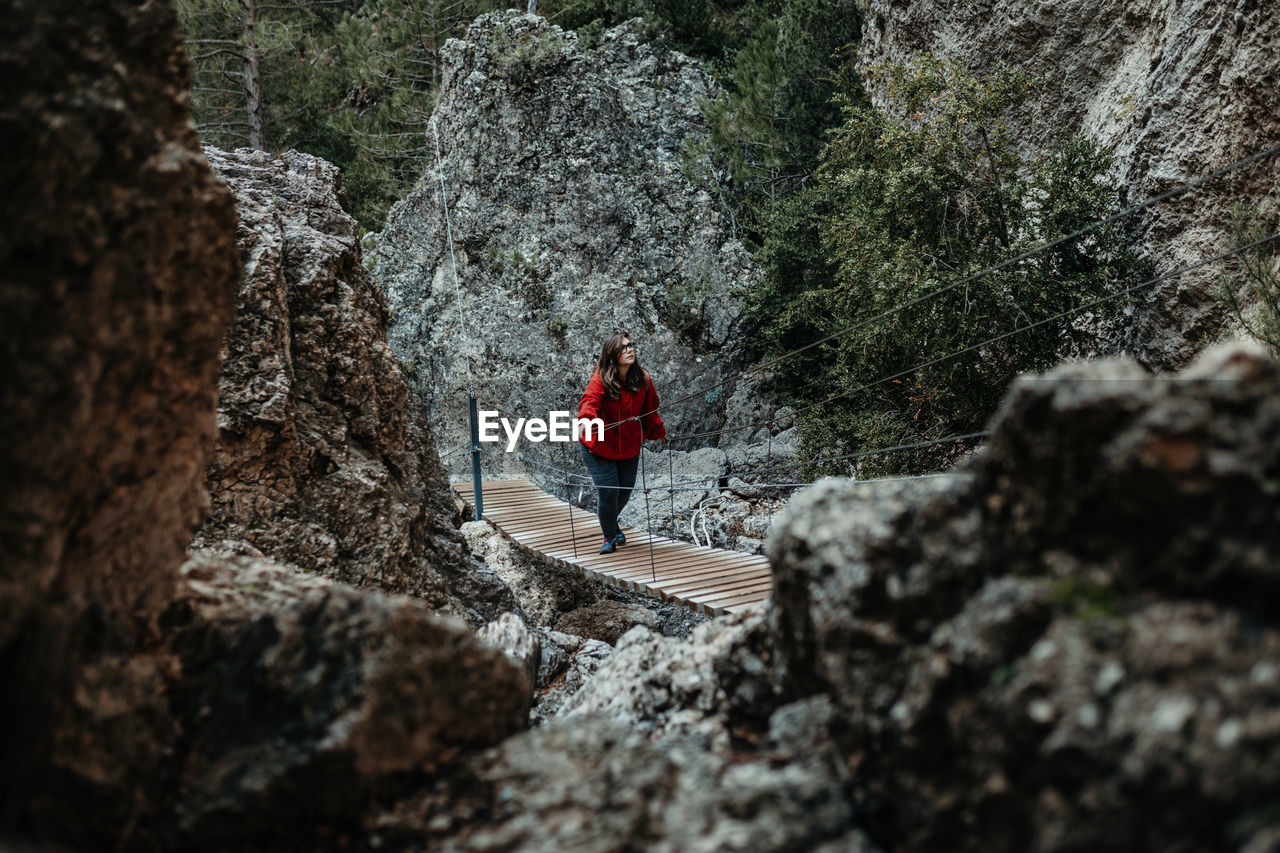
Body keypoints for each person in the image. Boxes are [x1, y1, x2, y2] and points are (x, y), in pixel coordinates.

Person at [578, 332, 667, 554]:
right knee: (608, 492)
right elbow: (590, 402)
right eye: (623, 348)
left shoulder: (643, 379)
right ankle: (609, 536)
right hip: (598, 446)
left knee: (624, 492)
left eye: (630, 346)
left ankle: (611, 525)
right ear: (612, 355)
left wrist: (658, 432)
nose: (629, 350)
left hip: (628, 447)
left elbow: (650, 410)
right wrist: (585, 422)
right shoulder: (601, 379)